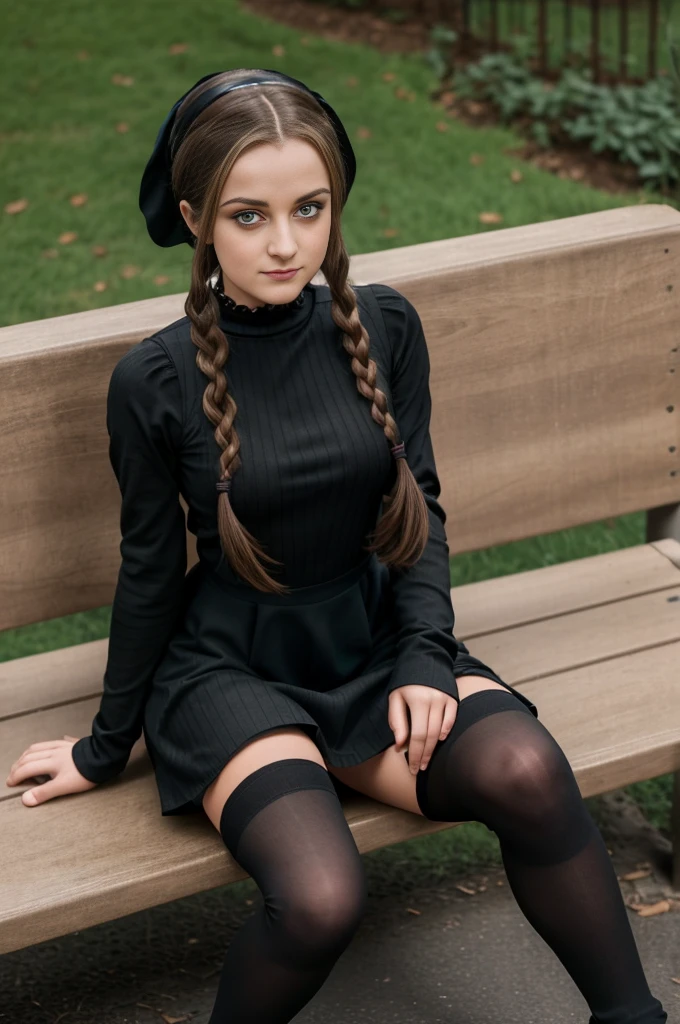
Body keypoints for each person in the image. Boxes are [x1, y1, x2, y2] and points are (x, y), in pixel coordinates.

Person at [5, 68, 667, 1024]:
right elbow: (150, 573)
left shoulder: (385, 326)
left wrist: (425, 656)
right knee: (322, 896)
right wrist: (107, 750)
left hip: (365, 644)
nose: (286, 243)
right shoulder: (152, 380)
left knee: (526, 769)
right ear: (196, 218)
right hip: (228, 674)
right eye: (248, 215)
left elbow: (420, 511)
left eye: (309, 207)